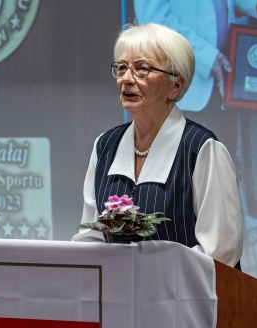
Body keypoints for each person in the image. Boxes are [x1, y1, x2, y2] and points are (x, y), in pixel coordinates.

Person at [74, 23, 243, 268]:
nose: (126, 79)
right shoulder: (105, 146)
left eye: (142, 68)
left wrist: (147, 276)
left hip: (183, 292)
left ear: (176, 86)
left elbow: (220, 253)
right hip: (118, 290)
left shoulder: (202, 149)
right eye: (121, 68)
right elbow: (90, 238)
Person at [134, 1, 257, 153]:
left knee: (224, 162)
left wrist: (254, 3)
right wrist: (207, 58)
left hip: (223, 78)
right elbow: (155, 25)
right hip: (181, 92)